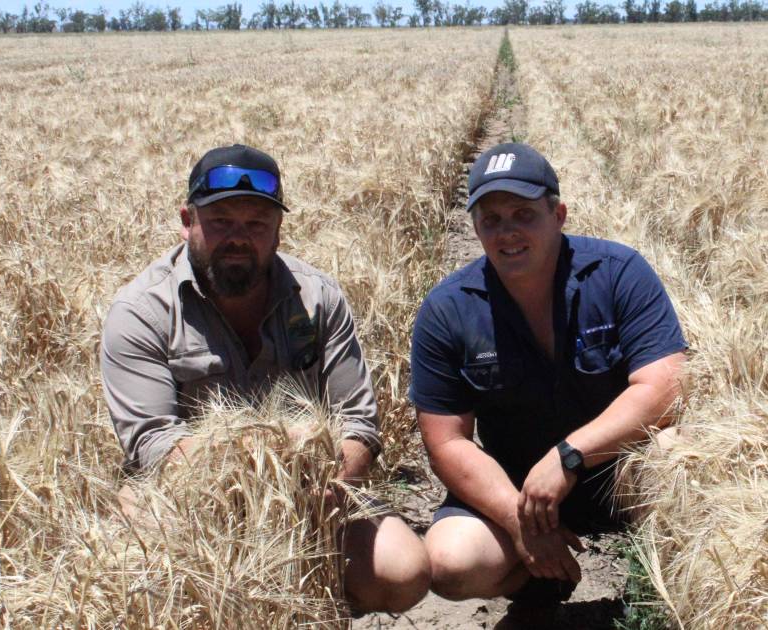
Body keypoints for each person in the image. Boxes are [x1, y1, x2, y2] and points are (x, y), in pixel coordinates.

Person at [100, 144, 430, 614]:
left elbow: (358, 423)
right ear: (187, 219)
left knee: (403, 570)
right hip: (185, 493)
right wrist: (265, 473)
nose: (239, 238)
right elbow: (154, 443)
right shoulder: (141, 313)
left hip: (317, 484)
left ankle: (315, 613)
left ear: (278, 229)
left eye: (256, 223)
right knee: (145, 559)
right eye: (220, 222)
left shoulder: (319, 298)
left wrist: (319, 491)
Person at [410, 142, 687, 622]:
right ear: (474, 226)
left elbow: (665, 385)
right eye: (491, 219)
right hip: (518, 488)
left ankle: (670, 596)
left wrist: (569, 456)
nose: (507, 232)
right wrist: (519, 520)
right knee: (451, 562)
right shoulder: (448, 309)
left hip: (619, 473)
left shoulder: (619, 274)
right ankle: (541, 579)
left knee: (679, 454)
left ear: (558, 214)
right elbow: (446, 442)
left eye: (523, 214)